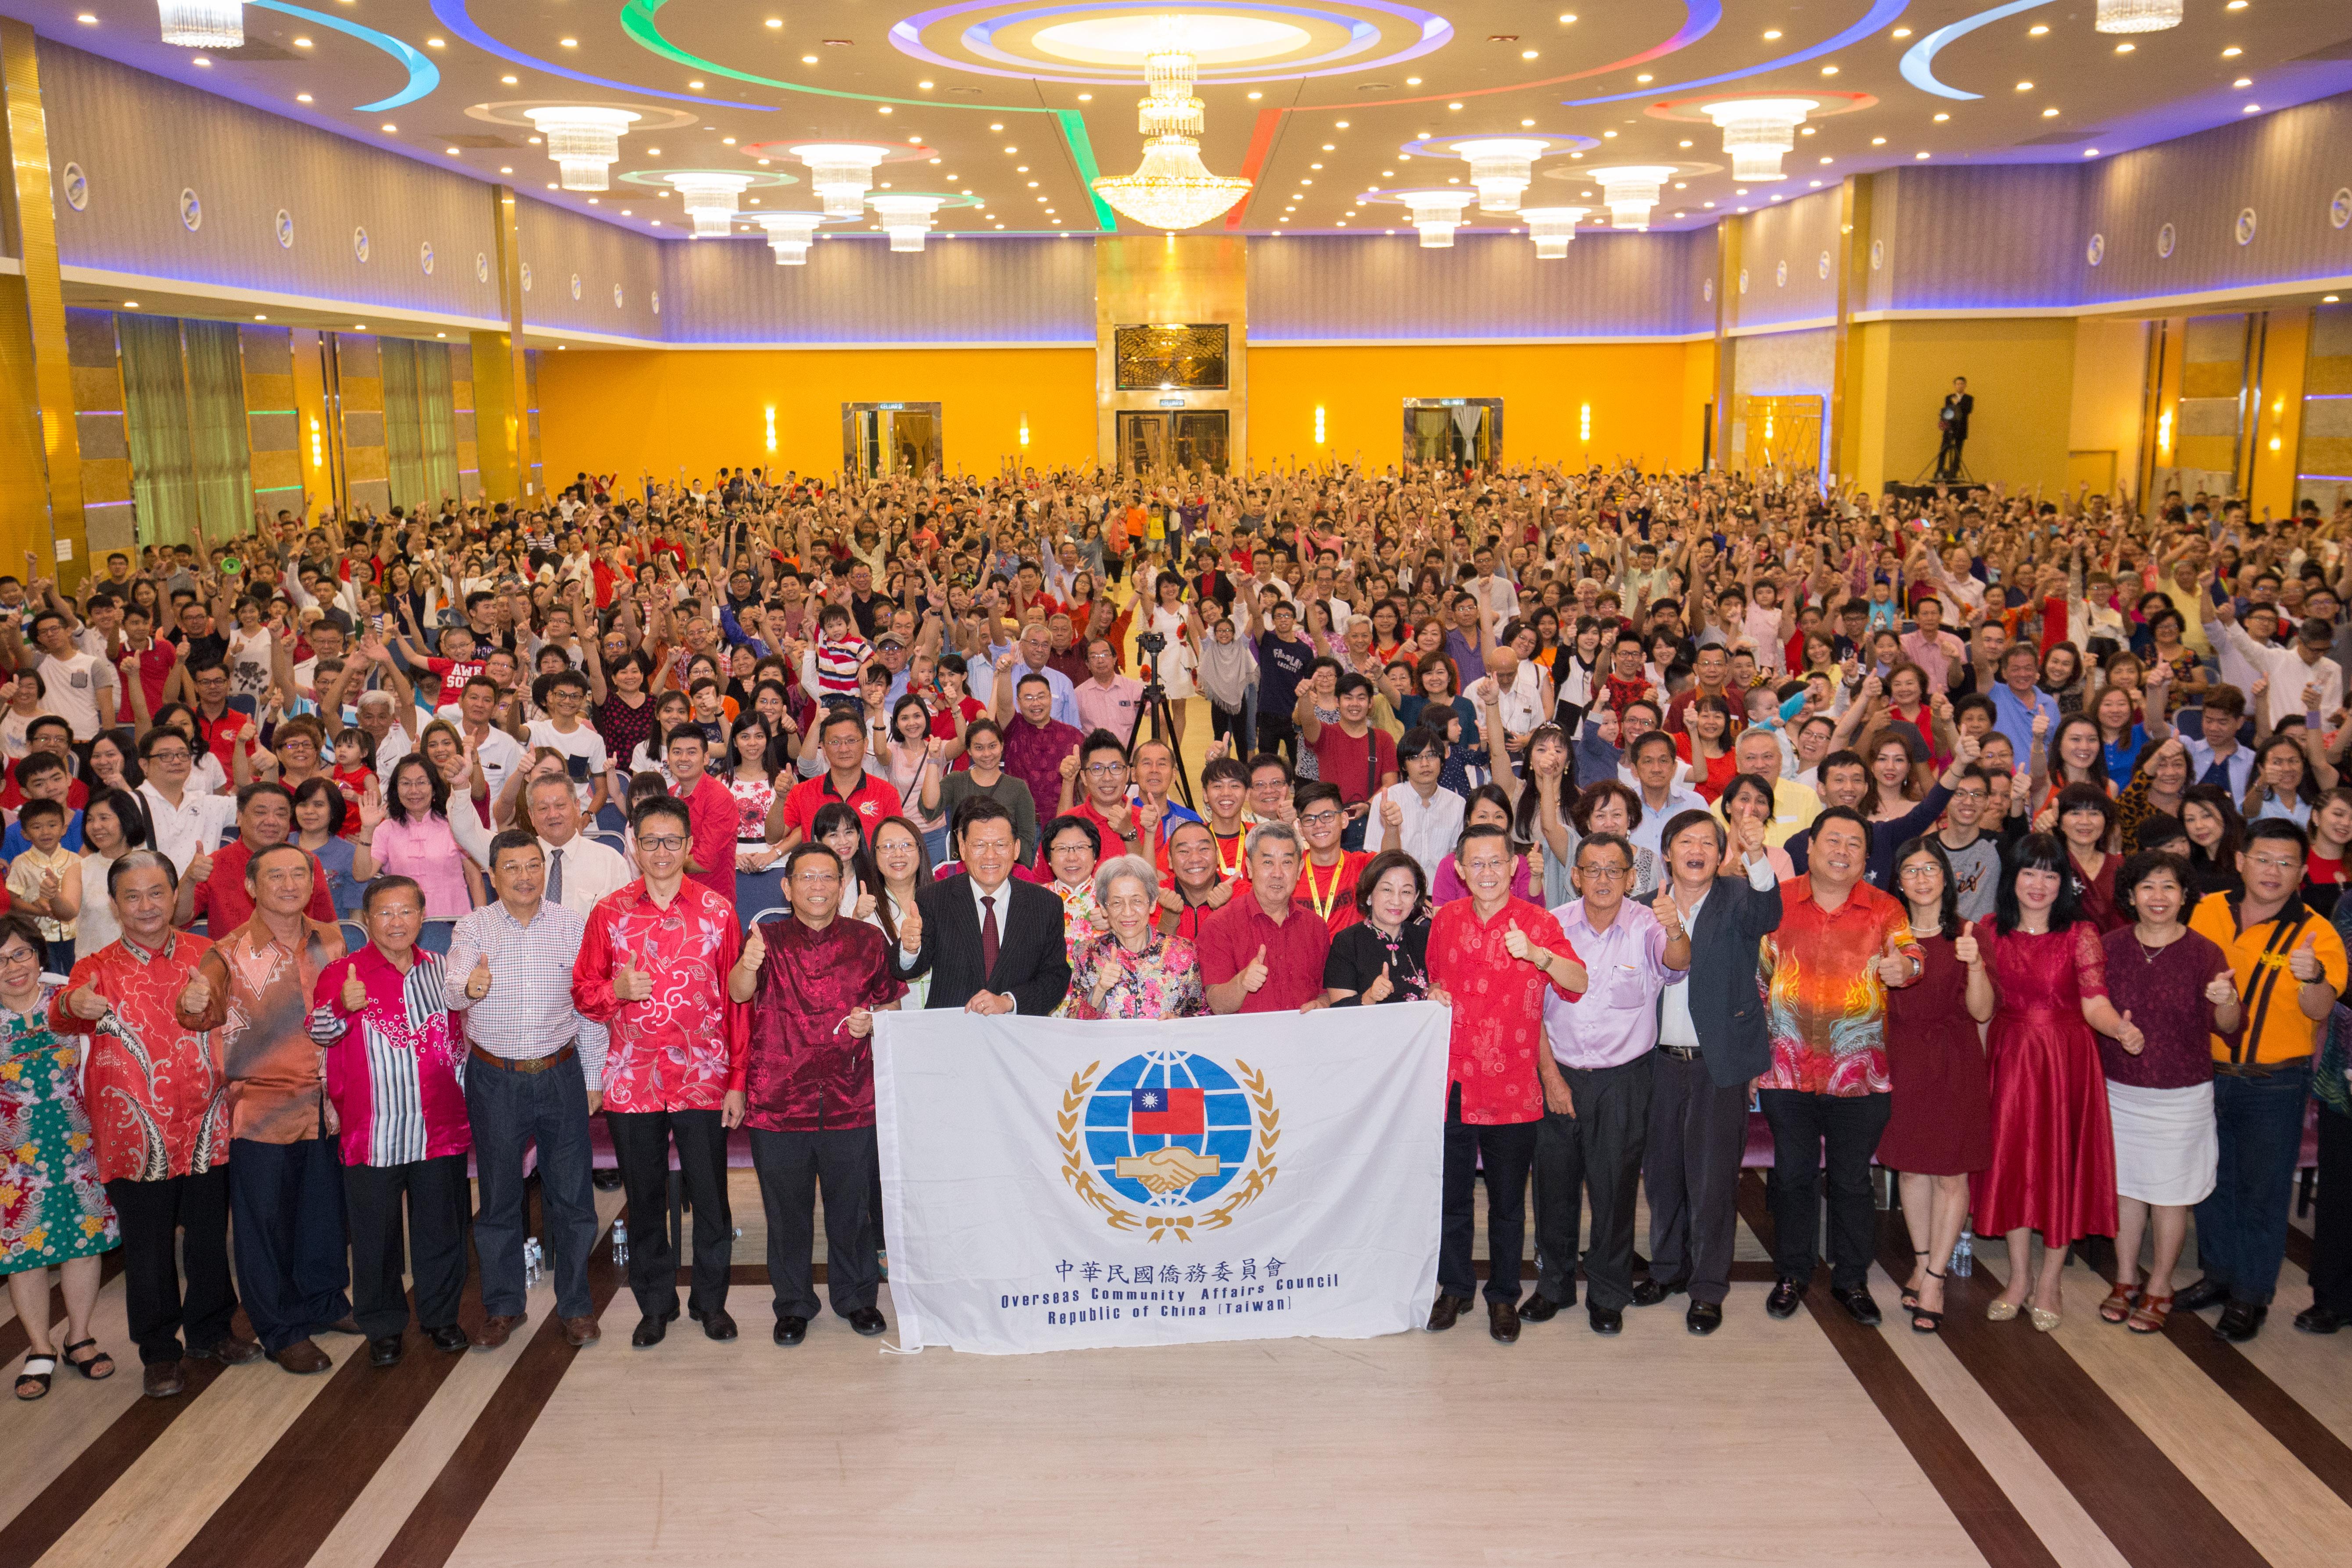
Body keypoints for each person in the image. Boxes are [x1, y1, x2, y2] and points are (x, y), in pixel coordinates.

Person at [54, 850, 263, 1396]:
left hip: (205, 1122)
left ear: (175, 896)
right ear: (114, 903)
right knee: (147, 1248)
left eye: (156, 893)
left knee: (208, 1236)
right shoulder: (95, 966)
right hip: (134, 1131)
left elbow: (239, 1018)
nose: (145, 906)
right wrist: (75, 1004)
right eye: (132, 896)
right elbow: (62, 1012)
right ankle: (159, 1352)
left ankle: (211, 1331)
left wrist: (210, 1000)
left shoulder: (207, 953)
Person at [573, 796, 749, 1348]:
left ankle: (710, 1303)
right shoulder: (609, 913)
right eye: (650, 841)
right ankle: (655, 1305)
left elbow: (737, 1002)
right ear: (634, 845)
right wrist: (616, 991)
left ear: (690, 846)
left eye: (673, 841)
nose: (662, 852)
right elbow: (583, 992)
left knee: (711, 1199)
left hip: (703, 1074)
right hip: (633, 1078)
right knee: (645, 1200)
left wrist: (737, 1080)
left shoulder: (718, 911)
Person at [176, 842, 351, 1374]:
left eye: (299, 874)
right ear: (252, 887)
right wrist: (192, 1005)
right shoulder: (226, 952)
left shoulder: (332, 938)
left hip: (327, 1102)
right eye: (276, 876)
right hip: (262, 1106)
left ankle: (325, 1301)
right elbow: (200, 1013)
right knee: (264, 1227)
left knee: (323, 1214)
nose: (289, 884)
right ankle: (280, 1329)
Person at [731, 841, 903, 1346]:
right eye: (806, 877)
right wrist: (748, 962)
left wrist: (872, 1022)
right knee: (786, 1213)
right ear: (786, 888)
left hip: (851, 1097)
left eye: (827, 877)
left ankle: (857, 1299)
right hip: (779, 1099)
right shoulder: (766, 938)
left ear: (841, 885)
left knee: (851, 1210)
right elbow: (739, 992)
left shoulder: (867, 941)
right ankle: (793, 1305)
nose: (818, 886)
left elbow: (890, 1008)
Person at [2182, 816, 2347, 1340]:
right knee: (2211, 1183)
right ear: (2239, 861)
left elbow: (2321, 1008)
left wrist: (2312, 975)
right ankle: (2218, 1276)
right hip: (2204, 1074)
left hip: (2273, 1083)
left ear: (2301, 872)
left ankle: (2250, 1297)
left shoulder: (2315, 932)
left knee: (2262, 1193)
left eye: (2285, 863)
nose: (2272, 871)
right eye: (2262, 859)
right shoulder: (2205, 910)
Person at [1423, 821, 1587, 1343]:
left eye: (1496, 862)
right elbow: (1434, 978)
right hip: (1452, 1084)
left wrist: (1538, 955)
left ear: (1514, 866)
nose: (1487, 872)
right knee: (1450, 1197)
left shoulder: (1538, 922)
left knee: (1507, 1204)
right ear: (1459, 870)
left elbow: (1578, 981)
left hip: (1513, 1088)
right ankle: (1454, 1288)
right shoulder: (1445, 920)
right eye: (1476, 864)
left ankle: (1502, 1296)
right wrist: (1431, 993)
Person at [446, 831, 606, 1352]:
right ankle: (503, 1306)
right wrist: (469, 988)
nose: (524, 876)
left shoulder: (572, 925)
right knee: (498, 1198)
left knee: (573, 1196)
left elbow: (590, 1009)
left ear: (545, 869)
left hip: (560, 1073)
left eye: (533, 865)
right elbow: (452, 988)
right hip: (495, 1077)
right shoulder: (474, 926)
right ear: (493, 876)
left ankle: (576, 1306)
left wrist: (593, 1077)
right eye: (511, 867)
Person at [1757, 805, 1918, 1325]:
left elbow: (1911, 955)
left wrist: (1904, 967)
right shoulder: (1777, 901)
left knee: (1851, 1181)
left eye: (1854, 844)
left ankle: (1851, 1280)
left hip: (1859, 1074)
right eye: (1832, 840)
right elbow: (1758, 978)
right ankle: (1792, 1273)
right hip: (1786, 1069)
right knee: (1792, 1177)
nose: (1841, 851)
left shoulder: (1883, 907)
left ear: (1866, 856)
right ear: (1809, 846)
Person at [1974, 834, 2140, 1331]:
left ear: (2063, 883)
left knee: (2056, 1165)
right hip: (2008, 1058)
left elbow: (2094, 1001)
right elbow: (1980, 1007)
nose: (2039, 883)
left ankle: (2050, 1281)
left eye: (2050, 874)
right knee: (2012, 1165)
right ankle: (2018, 1277)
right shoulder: (1989, 930)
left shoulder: (2080, 934)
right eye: (2029, 872)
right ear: (2013, 878)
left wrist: (2119, 1029)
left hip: (2064, 1061)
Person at [1525, 833, 1686, 1335]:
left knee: (1614, 1190)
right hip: (1558, 1074)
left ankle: (1607, 1293)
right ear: (1574, 876)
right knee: (1553, 1188)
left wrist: (1675, 927)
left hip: (1623, 1081)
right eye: (1591, 869)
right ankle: (1553, 1285)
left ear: (1629, 878)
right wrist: (1550, 1077)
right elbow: (1531, 1012)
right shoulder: (1551, 926)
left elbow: (1677, 963)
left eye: (1613, 870)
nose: (1602, 879)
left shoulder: (1648, 924)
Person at [307, 877, 470, 1368]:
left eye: (406, 911)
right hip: (372, 1131)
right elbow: (320, 1032)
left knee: (442, 1228)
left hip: (438, 1127)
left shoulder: (442, 970)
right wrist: (342, 1004)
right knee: (375, 1237)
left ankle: (441, 1317)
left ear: (422, 916)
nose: (396, 922)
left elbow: (464, 1034)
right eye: (384, 913)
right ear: (366, 920)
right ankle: (382, 1326)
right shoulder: (342, 972)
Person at [1645, 807, 1778, 1335]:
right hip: (1655, 1063)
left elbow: (1769, 913)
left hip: (1717, 1064)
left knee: (1712, 1181)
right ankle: (1666, 1270)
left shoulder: (1740, 897)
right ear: (1667, 852)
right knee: (1661, 1177)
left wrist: (1756, 853)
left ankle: (1706, 1287)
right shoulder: (1644, 906)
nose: (1695, 850)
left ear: (1721, 855)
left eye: (1707, 842)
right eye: (1685, 841)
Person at [2096, 850, 2234, 1335]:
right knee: (2127, 1189)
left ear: (2184, 896)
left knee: (2170, 1195)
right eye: (2148, 887)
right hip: (2119, 1088)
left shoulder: (2204, 952)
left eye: (2169, 886)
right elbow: (2091, 1006)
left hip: (2182, 1093)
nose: (2158, 897)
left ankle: (2159, 1284)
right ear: (2131, 895)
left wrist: (2227, 1000)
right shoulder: (2109, 947)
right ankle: (2124, 1278)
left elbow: (2228, 1025)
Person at [1879, 837, 1995, 1335]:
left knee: (1950, 1174)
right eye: (1911, 870)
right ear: (1899, 882)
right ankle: (1922, 1259)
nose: (1921, 878)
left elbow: (1982, 1011)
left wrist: (1976, 964)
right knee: (1909, 1170)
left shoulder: (1969, 934)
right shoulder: (1887, 936)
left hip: (1953, 1060)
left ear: (1946, 878)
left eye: (1930, 868)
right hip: (1902, 1058)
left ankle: (1935, 1278)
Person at [2, 909, 119, 1399]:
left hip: (78, 1146)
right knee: (23, 1254)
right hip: (11, 1162)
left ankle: (80, 1337)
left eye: (21, 954)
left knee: (83, 1242)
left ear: (39, 954)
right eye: (1, 960)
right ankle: (39, 1347)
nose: (13, 967)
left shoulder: (70, 1001)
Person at [891, 796, 1070, 1013]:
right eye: (979, 845)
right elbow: (909, 970)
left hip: (1016, 1029)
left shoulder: (1045, 905)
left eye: (1001, 845)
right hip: (953, 1029)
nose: (990, 855)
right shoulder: (934, 898)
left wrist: (1009, 1002)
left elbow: (1055, 977)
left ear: (1016, 849)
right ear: (963, 849)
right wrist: (910, 948)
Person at [1198, 822, 1332, 1015]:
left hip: (1304, 1033)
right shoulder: (1220, 925)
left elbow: (1326, 992)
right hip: (1247, 1035)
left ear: (1300, 869)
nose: (1278, 874)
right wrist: (1242, 982)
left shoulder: (1316, 927)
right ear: (1250, 868)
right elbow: (1217, 1005)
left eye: (1287, 862)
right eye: (1268, 862)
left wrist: (1323, 1004)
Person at [180, 782, 337, 935]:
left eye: (281, 814)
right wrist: (189, 879)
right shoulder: (215, 864)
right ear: (239, 817)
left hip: (298, 952)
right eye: (261, 813)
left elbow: (329, 927)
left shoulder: (307, 861)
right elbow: (180, 919)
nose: (271, 821)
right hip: (232, 952)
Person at [1068, 854, 1205, 1019]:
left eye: (1137, 901)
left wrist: (1179, 1023)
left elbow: (1203, 1015)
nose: (1128, 912)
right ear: (1104, 908)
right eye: (1117, 903)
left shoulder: (1183, 952)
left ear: (1152, 904)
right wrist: (1100, 989)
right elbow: (1074, 1024)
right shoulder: (1088, 954)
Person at [354, 756, 484, 919]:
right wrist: (367, 830)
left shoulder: (454, 825)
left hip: (454, 922)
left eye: (421, 782)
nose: (414, 791)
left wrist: (481, 920)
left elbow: (474, 877)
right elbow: (362, 875)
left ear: (434, 788)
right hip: (403, 925)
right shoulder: (386, 829)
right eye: (406, 783)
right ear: (396, 789)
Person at [1323, 850, 1431, 1006]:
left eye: (1406, 892)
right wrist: (1369, 997)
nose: (1396, 901)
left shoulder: (1426, 938)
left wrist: (1436, 990)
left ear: (1416, 897)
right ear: (1369, 894)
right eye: (1387, 890)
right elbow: (1339, 1011)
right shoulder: (1347, 943)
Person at [524, 771, 632, 922]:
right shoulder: (518, 861)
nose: (553, 814)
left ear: (577, 807)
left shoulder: (611, 862)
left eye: (560, 806)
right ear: (531, 816)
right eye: (543, 809)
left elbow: (626, 923)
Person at [1373, 727, 1466, 890]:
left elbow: (1458, 861)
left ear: (1442, 760)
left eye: (1432, 755)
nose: (1425, 764)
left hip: (1442, 895)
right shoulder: (1385, 801)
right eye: (1415, 757)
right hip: (1399, 893)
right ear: (1404, 765)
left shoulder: (1458, 804)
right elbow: (1375, 860)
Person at [937, 718, 1038, 864]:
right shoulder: (956, 781)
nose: (987, 754)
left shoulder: (1018, 788)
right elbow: (930, 808)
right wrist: (933, 761)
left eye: (992, 746)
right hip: (965, 867)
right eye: (979, 748)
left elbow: (1026, 838)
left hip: (1005, 868)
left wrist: (1018, 872)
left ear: (1002, 746)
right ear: (969, 750)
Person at [664, 725, 738, 907]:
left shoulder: (719, 797)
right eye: (677, 752)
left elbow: (705, 862)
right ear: (668, 758)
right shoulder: (670, 794)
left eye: (691, 752)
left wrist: (663, 862)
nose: (683, 759)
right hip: (674, 897)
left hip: (712, 903)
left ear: (706, 758)